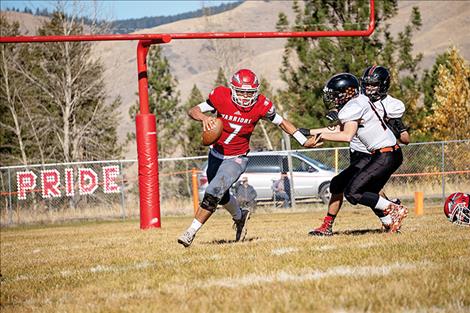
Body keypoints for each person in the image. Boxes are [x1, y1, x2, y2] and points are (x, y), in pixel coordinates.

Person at [177, 68, 318, 247]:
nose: (245, 97)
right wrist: (204, 118)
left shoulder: (261, 105)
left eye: (249, 93)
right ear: (233, 89)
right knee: (221, 194)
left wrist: (303, 140)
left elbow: (282, 122)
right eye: (241, 92)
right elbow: (193, 110)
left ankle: (190, 232)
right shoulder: (221, 96)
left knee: (213, 191)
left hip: (237, 157)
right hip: (216, 154)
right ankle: (240, 216)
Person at [304, 66, 411, 236]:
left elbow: (346, 135)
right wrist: (311, 132)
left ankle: (393, 208)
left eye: (337, 94)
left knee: (353, 193)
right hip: (383, 153)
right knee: (359, 190)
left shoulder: (358, 105)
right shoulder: (359, 101)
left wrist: (320, 136)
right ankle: (390, 220)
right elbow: (340, 128)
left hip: (382, 154)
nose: (334, 98)